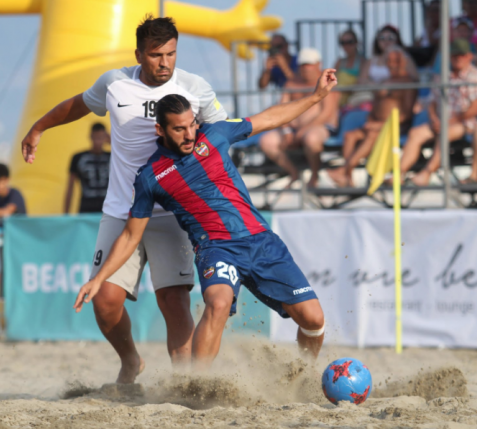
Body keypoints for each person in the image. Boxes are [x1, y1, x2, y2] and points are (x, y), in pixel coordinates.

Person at [74, 69, 337, 370]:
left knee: (314, 319)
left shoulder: (215, 134)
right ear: (160, 130)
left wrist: (316, 96)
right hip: (215, 248)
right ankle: (197, 385)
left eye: (192, 125)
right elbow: (131, 236)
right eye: (179, 129)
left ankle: (300, 378)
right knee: (218, 302)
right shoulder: (150, 177)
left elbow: (269, 118)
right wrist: (98, 279)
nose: (189, 135)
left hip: (261, 240)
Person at [20, 16, 228, 384]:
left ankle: (187, 385)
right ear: (139, 54)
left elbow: (222, 137)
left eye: (171, 53)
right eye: (155, 55)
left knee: (173, 301)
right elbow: (78, 105)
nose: (165, 63)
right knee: (104, 302)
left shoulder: (195, 88)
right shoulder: (115, 83)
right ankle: (131, 360)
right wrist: (39, 128)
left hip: (171, 215)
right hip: (121, 212)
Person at [399, 39, 477, 186]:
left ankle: (426, 173)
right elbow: (432, 102)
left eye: (462, 55)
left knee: (444, 133)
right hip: (440, 123)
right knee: (415, 133)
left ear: (470, 56)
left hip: (464, 124)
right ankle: (399, 174)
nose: (458, 58)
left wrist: (447, 122)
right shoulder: (442, 76)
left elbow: (475, 109)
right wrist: (434, 119)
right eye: (454, 55)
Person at [329, 47, 417, 187]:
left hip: (395, 126)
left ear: (403, 62)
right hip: (376, 123)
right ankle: (348, 178)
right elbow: (376, 104)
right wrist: (371, 119)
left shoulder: (408, 82)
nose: (392, 64)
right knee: (349, 136)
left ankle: (344, 170)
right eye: (389, 61)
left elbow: (406, 113)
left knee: (371, 134)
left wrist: (382, 125)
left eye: (396, 61)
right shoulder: (385, 81)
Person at [259, 48, 340, 188]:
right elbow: (281, 109)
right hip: (294, 129)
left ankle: (314, 176)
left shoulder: (327, 82)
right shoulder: (291, 84)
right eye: (303, 64)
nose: (306, 68)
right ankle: (293, 173)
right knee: (266, 141)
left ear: (318, 64)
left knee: (311, 139)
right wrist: (287, 131)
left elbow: (326, 113)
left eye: (309, 64)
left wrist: (303, 131)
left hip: (319, 127)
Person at [64, 123, 111, 213]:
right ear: (90, 137)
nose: (98, 142)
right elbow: (70, 187)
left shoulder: (112, 157)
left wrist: (112, 142)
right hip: (86, 208)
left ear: (105, 138)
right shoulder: (78, 158)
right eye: (95, 137)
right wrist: (66, 214)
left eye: (101, 138)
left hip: (108, 208)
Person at [334, 29, 366, 110]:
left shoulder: (363, 62)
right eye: (343, 43)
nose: (346, 46)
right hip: (337, 100)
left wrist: (342, 89)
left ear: (356, 43)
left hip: (354, 101)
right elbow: (331, 82)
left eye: (350, 42)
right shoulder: (339, 62)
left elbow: (360, 83)